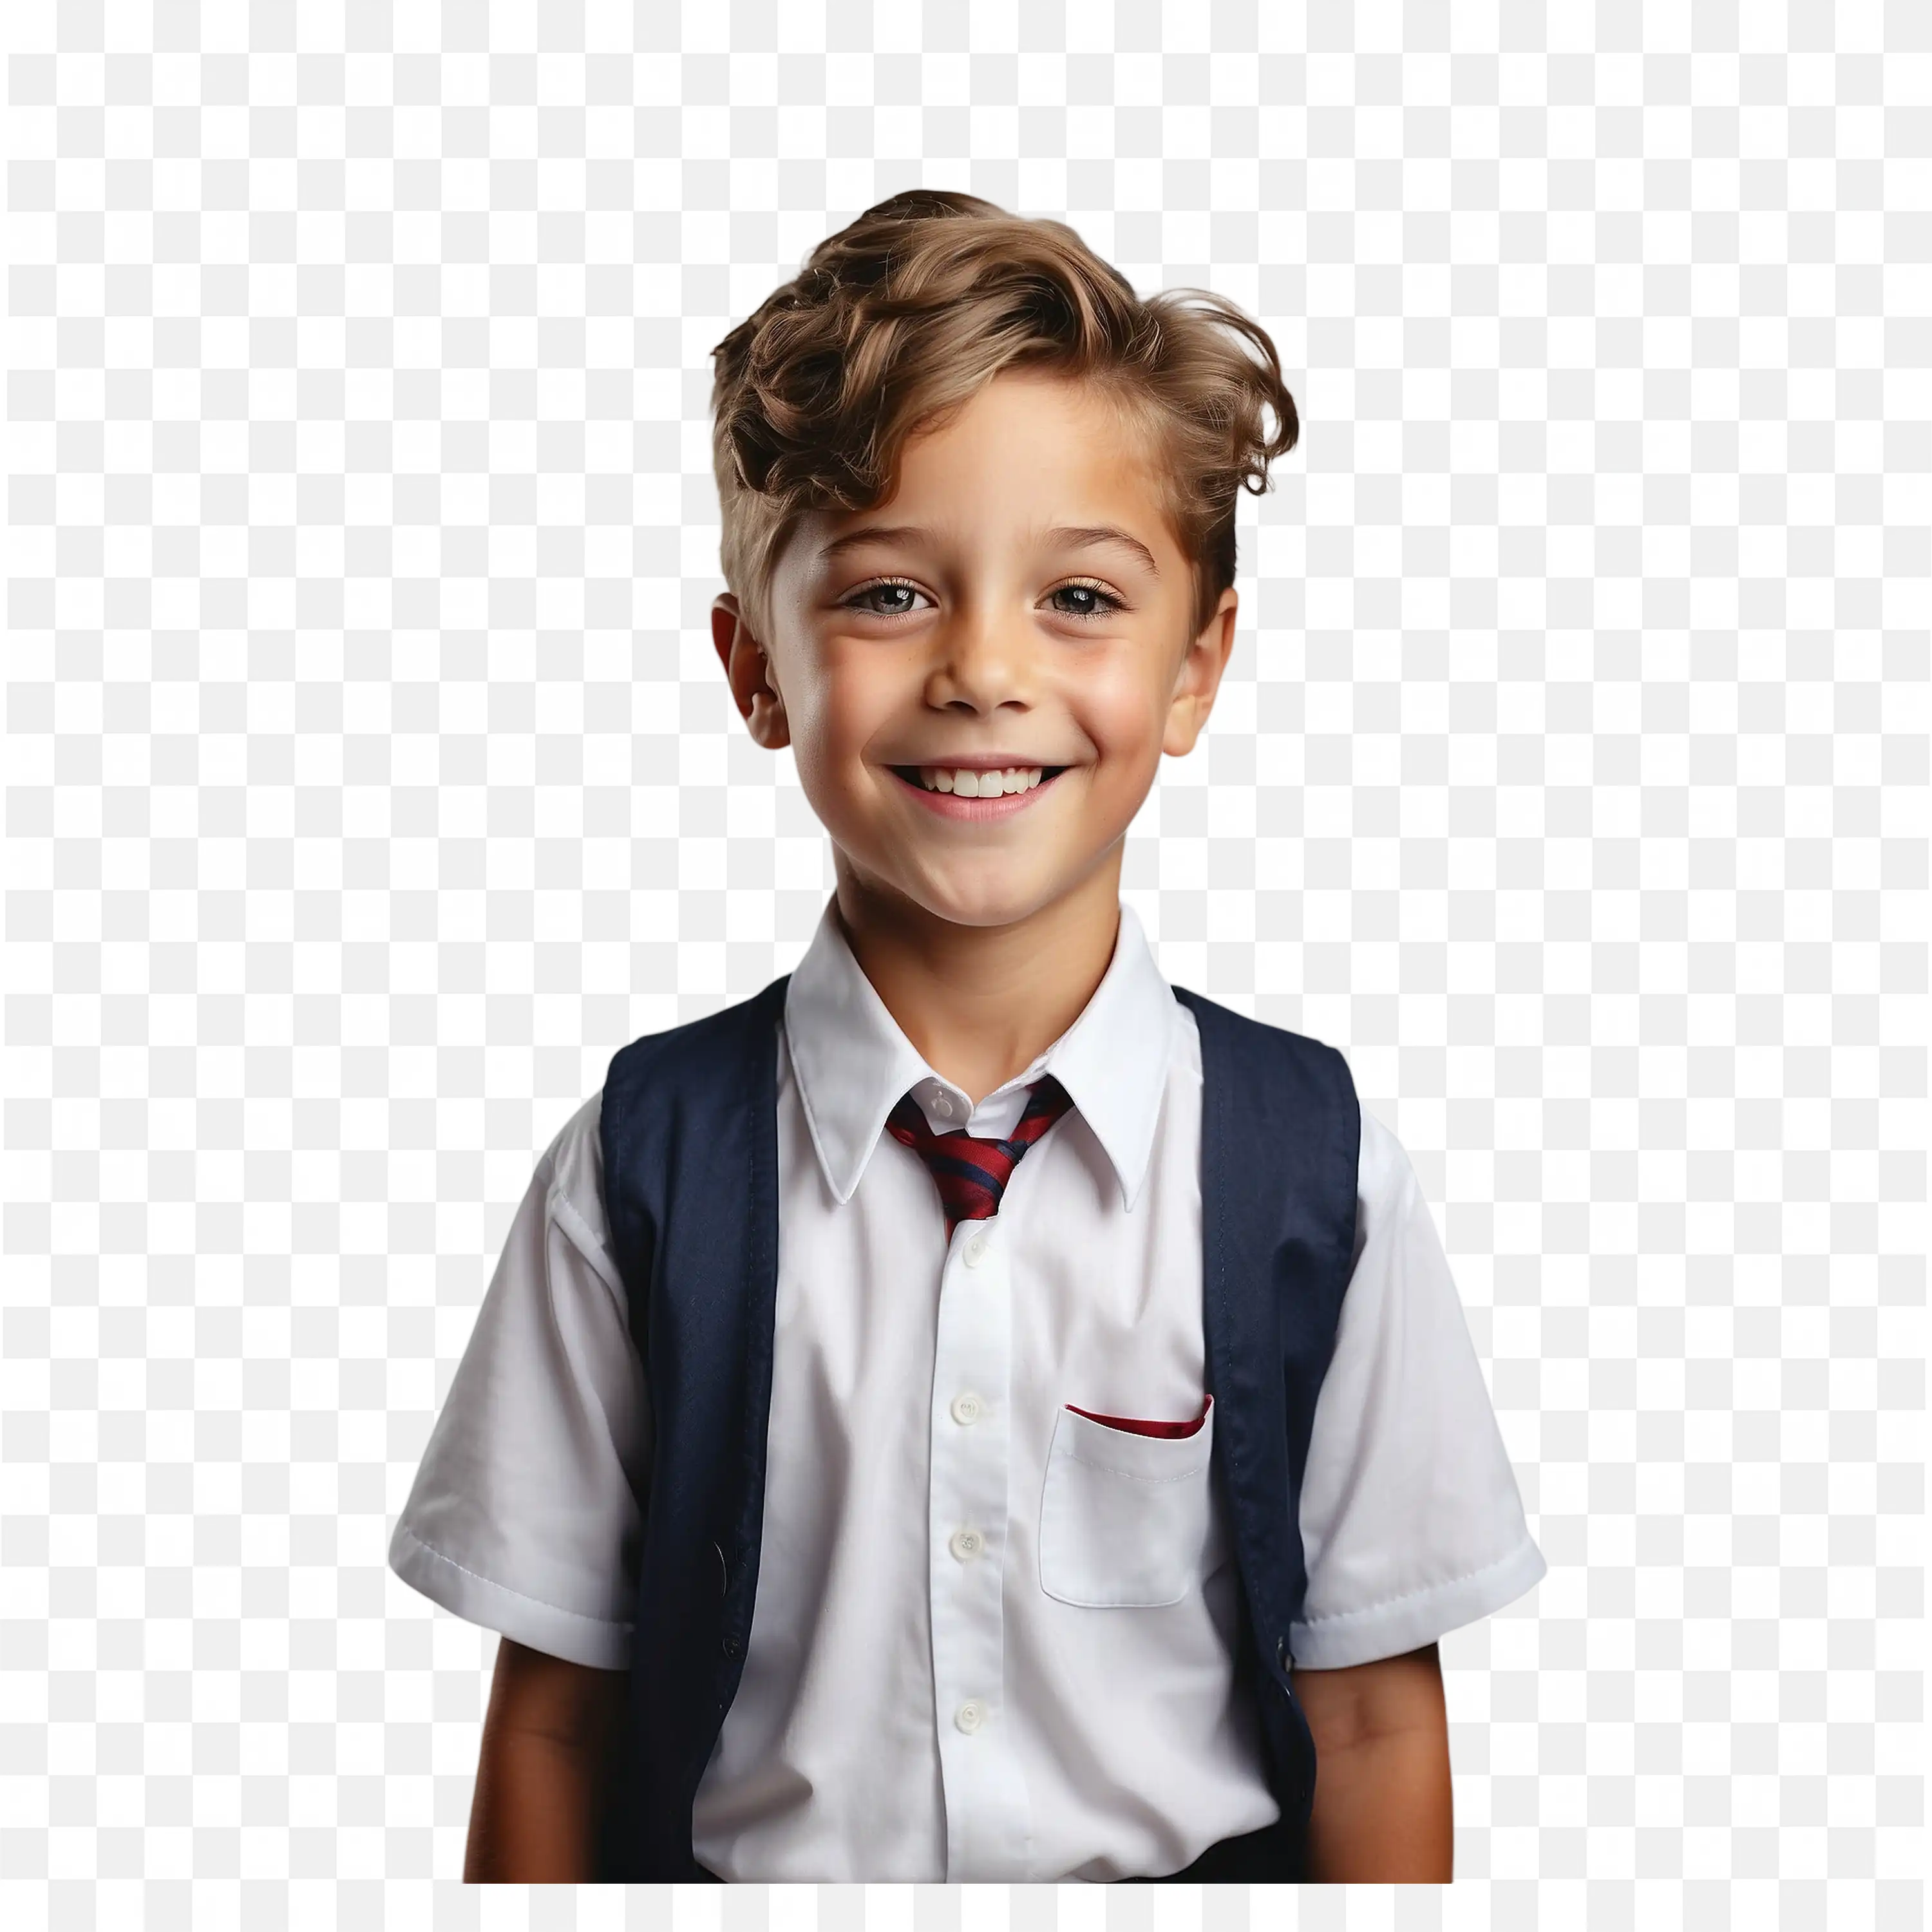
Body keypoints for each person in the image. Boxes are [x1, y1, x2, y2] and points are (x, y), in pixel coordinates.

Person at [386, 188, 1548, 1884]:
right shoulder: (641, 1159)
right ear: (756, 668)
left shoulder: (1312, 1159)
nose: (985, 670)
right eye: (886, 596)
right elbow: (557, 1712)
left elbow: (1373, 1711)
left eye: (1079, 598)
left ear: (1196, 666)